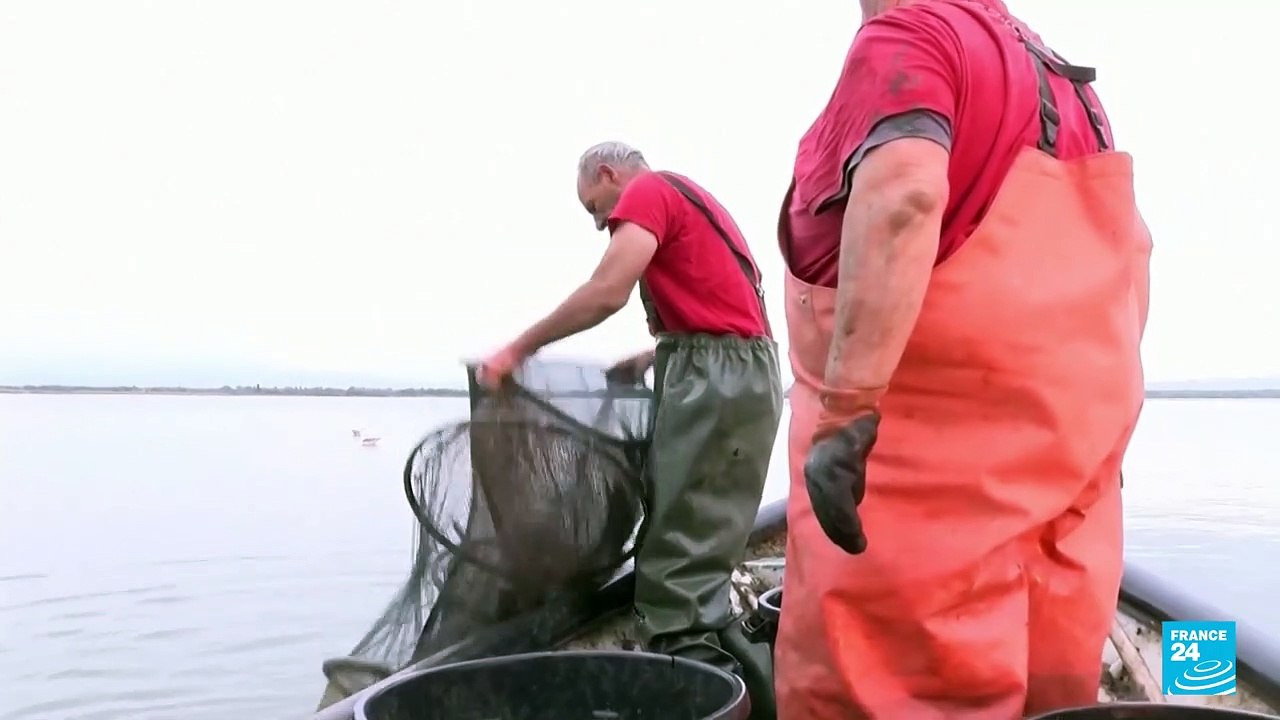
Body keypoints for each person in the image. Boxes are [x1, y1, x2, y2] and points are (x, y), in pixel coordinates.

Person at [773, 1, 1151, 718]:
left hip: (915, 501)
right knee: (1052, 686)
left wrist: (847, 412)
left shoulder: (911, 37)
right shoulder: (1070, 85)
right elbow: (1133, 257)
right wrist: (1108, 431)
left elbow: (905, 194)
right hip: (1061, 494)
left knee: (883, 687)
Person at [477, 142, 784, 680]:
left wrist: (517, 350)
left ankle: (710, 694)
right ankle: (752, 683)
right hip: (741, 380)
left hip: (717, 384)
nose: (600, 224)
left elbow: (606, 293)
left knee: (676, 574)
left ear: (607, 173)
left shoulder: (648, 192)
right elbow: (732, 315)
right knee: (698, 551)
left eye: (595, 208)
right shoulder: (696, 200)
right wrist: (655, 355)